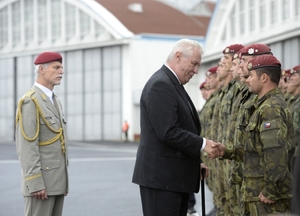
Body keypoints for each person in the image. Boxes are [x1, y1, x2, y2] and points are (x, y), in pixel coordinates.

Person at [132, 39, 220, 216]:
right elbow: (168, 132)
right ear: (178, 57)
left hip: (171, 179)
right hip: (162, 180)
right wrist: (203, 144)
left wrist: (195, 163)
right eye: (194, 64)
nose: (196, 70)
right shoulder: (161, 84)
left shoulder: (172, 83)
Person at [215, 55, 293, 216]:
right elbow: (254, 150)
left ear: (264, 78)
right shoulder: (262, 105)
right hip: (255, 193)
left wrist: (271, 190)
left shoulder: (271, 108)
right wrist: (227, 151)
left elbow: (276, 154)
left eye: (251, 76)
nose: (247, 80)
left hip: (265, 198)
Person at [15, 52, 68, 216]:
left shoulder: (54, 100)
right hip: (41, 185)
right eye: (56, 67)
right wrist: (35, 182)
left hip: (56, 183)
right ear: (41, 69)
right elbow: (26, 146)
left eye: (61, 67)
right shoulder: (31, 101)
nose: (61, 71)